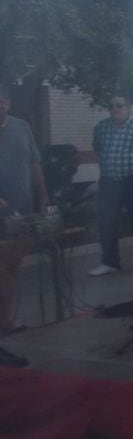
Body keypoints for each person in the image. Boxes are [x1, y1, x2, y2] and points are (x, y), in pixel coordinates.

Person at [0, 84, 48, 367]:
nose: (1, 105)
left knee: (13, 268)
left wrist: (43, 194)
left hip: (23, 207)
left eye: (3, 100)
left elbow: (35, 163)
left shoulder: (22, 127)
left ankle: (5, 322)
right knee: (2, 269)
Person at [89, 94, 133, 276]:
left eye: (119, 106)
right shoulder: (101, 128)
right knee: (106, 222)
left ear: (128, 107)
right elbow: (97, 148)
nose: (115, 110)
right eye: (111, 107)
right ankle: (110, 262)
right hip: (109, 180)